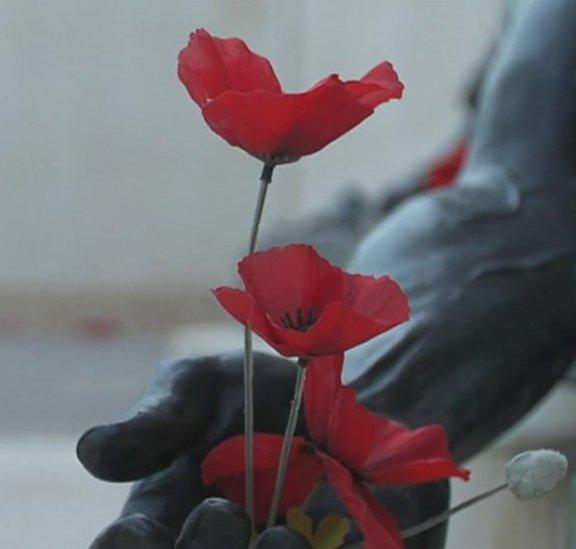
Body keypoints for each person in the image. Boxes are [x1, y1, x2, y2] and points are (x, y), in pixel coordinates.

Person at [78, 0, 576, 547]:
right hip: (462, 211)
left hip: (481, 214)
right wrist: (343, 417)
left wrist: (358, 426)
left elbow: (527, 196)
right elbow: (515, 181)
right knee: (304, 242)